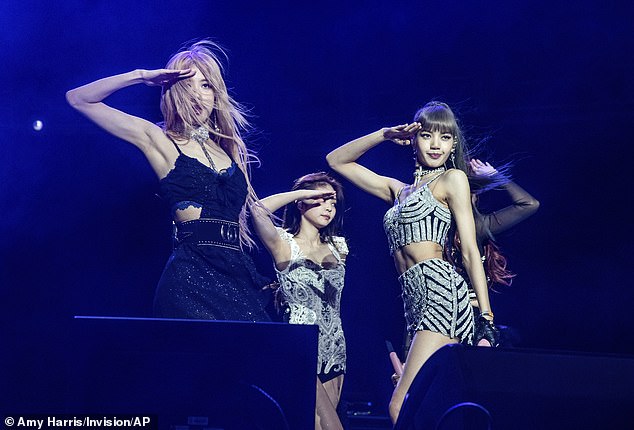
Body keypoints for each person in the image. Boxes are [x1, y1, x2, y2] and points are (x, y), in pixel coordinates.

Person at [66, 40, 271, 322]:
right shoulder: (160, 140)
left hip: (238, 276)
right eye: (188, 85)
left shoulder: (230, 147)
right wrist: (141, 75)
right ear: (174, 91)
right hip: (191, 281)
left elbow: (256, 212)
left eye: (206, 85)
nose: (198, 96)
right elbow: (78, 99)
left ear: (216, 93)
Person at [326, 101, 496, 424]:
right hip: (413, 304)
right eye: (427, 135)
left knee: (399, 406)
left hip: (441, 295)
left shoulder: (452, 179)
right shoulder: (398, 191)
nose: (435, 144)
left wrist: (486, 317)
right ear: (413, 139)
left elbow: (471, 250)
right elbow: (336, 160)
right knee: (426, 406)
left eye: (445, 138)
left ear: (453, 145)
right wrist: (384, 135)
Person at [250, 172, 348, 430]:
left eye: (333, 202)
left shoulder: (339, 247)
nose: (329, 207)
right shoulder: (284, 243)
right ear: (302, 203)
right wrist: (303, 193)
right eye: (322, 199)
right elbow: (257, 210)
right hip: (300, 344)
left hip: (334, 346)